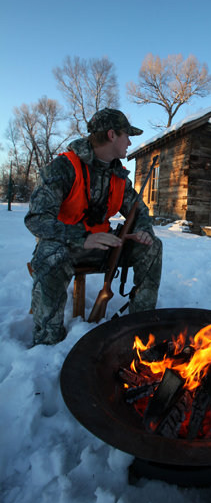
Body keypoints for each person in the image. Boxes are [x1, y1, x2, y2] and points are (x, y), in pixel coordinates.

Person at [25, 108, 162, 346]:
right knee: (50, 253)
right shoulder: (62, 168)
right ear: (111, 135)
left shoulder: (119, 175)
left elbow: (140, 211)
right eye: (126, 135)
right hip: (66, 246)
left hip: (104, 247)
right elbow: (37, 219)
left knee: (153, 247)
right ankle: (48, 341)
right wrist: (81, 238)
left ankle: (139, 329)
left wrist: (143, 231)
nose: (130, 142)